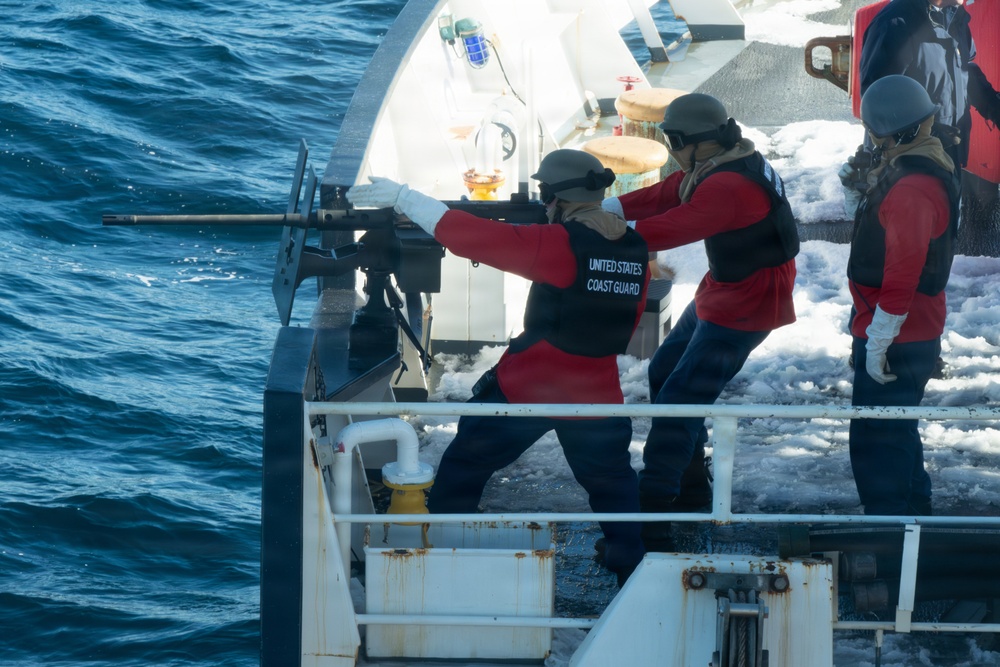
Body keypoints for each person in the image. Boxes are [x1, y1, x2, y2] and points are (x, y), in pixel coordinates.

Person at [347, 149, 651, 586]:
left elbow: (474, 237)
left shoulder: (559, 244)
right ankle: (629, 566)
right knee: (612, 482)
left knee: (465, 466)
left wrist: (403, 198)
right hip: (597, 389)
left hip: (531, 385)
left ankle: (441, 557)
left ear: (554, 196)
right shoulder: (634, 247)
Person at [601, 93, 799, 551]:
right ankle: (691, 487)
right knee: (663, 372)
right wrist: (613, 210)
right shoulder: (724, 159)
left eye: (672, 140)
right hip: (727, 286)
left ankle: (652, 514)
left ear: (688, 141)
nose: (670, 149)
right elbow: (673, 191)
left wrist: (598, 232)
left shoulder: (730, 187)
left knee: (677, 406)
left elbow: (676, 224)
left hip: (749, 301)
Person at [847, 75, 960, 516]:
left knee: (877, 447)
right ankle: (917, 528)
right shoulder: (923, 164)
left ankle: (890, 548)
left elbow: (903, 272)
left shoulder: (912, 188)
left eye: (875, 132)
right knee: (898, 434)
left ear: (896, 132)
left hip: (899, 336)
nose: (871, 140)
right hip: (909, 330)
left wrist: (879, 339)